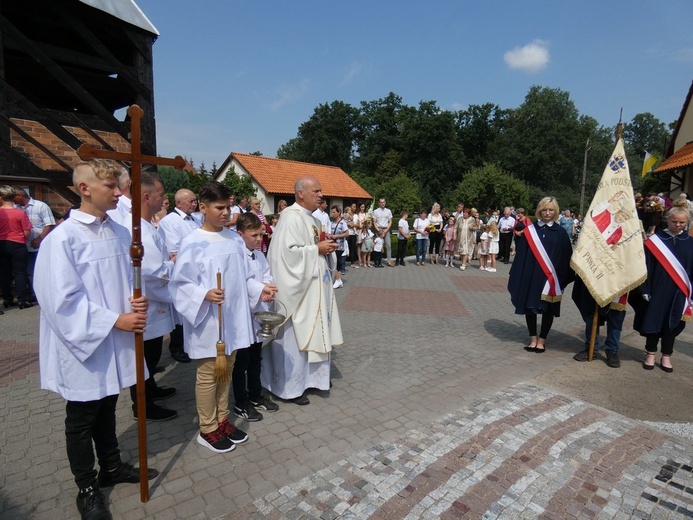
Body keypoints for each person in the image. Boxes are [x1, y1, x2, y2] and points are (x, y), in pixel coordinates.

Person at [33, 160, 157, 520]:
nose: (120, 193)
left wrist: (137, 299)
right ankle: (86, 488)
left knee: (107, 405)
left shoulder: (118, 232)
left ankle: (112, 467)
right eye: (111, 187)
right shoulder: (62, 239)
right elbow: (60, 300)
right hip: (83, 342)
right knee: (83, 415)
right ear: (84, 188)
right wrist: (115, 318)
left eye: (119, 186)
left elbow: (127, 278)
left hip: (114, 336)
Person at [169, 182, 275, 453]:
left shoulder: (233, 239)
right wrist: (204, 294)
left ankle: (222, 419)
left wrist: (260, 288)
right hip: (209, 321)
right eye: (220, 207)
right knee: (208, 376)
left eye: (229, 206)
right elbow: (179, 284)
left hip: (233, 319)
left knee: (226, 371)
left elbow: (244, 279)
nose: (227, 212)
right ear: (203, 208)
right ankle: (207, 428)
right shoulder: (193, 241)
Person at [261, 175, 343, 405]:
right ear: (300, 193)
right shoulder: (290, 218)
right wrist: (316, 248)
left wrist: (326, 250)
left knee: (314, 334)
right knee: (295, 340)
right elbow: (286, 255)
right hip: (298, 293)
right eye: (316, 191)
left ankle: (312, 381)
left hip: (315, 289)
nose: (320, 195)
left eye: (320, 191)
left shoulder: (312, 219)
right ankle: (290, 388)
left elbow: (312, 248)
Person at [122, 172, 178, 421]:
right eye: (161, 194)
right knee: (145, 354)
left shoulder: (148, 224)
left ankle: (151, 389)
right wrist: (175, 266)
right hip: (148, 299)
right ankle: (142, 405)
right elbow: (152, 269)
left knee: (152, 353)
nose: (164, 199)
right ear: (146, 197)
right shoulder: (135, 227)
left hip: (156, 299)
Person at [631, 206, 693, 373]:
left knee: (672, 325)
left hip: (679, 293)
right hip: (657, 290)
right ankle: (650, 354)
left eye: (682, 222)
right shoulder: (655, 241)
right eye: (674, 221)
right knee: (653, 321)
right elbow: (645, 267)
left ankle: (666, 355)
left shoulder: (690, 243)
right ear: (667, 219)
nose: (678, 225)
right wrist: (644, 289)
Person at [508, 196, 573, 353]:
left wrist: (561, 281)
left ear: (556, 212)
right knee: (530, 308)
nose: (547, 213)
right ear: (539, 211)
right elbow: (521, 256)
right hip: (532, 277)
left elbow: (566, 258)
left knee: (547, 310)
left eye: (551, 210)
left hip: (551, 280)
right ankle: (532, 339)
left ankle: (542, 340)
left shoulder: (561, 233)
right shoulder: (531, 231)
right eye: (544, 209)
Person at [232, 212, 280, 422]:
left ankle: (255, 395)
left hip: (258, 314)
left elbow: (266, 274)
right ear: (240, 233)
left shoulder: (259, 254)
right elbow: (241, 281)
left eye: (261, 235)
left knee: (255, 358)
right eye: (254, 235)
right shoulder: (235, 255)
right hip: (243, 315)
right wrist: (261, 288)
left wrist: (268, 287)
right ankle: (240, 403)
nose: (259, 239)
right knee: (241, 362)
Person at [157, 188, 201, 364]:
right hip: (180, 270)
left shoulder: (196, 220)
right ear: (179, 203)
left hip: (197, 270)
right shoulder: (169, 221)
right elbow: (174, 249)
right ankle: (176, 347)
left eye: (194, 200)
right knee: (179, 311)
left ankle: (190, 343)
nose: (194, 203)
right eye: (190, 201)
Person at [572, 277, 625, 368]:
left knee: (615, 320)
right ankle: (591, 348)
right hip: (594, 279)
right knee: (591, 317)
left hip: (617, 284)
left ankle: (612, 351)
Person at [14, 188, 55, 302]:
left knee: (40, 271)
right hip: (23, 246)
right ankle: (33, 294)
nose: (12, 199)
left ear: (19, 195)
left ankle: (42, 295)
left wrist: (39, 239)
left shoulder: (40, 206)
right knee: (28, 272)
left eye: (14, 196)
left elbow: (50, 225)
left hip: (40, 245)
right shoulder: (16, 208)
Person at [0, 185, 33, 310]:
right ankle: (22, 300)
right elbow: (27, 233)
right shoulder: (20, 213)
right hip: (18, 244)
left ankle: (7, 299)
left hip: (2, 243)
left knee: (4, 273)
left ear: (1, 198)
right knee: (20, 273)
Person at [328, 205, 349, 287]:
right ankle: (338, 280)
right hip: (333, 245)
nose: (332, 214)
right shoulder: (332, 223)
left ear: (339, 212)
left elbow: (347, 233)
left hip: (339, 246)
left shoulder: (342, 223)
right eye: (331, 212)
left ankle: (337, 279)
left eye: (334, 212)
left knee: (335, 262)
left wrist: (336, 236)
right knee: (337, 263)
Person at [373, 198, 395, 267]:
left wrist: (386, 230)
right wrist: (378, 230)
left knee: (388, 246)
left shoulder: (388, 211)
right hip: (379, 229)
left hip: (386, 229)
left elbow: (390, 221)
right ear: (379, 203)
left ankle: (389, 261)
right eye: (381, 202)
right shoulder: (375, 211)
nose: (382, 203)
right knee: (377, 246)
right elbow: (374, 221)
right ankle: (377, 261)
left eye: (383, 202)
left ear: (385, 203)